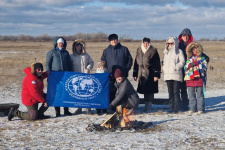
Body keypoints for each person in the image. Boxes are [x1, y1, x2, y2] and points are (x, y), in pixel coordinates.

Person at [101, 33, 133, 109]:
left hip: (122, 75)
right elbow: (103, 61)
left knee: (122, 92)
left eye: (115, 39)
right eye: (112, 40)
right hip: (111, 75)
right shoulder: (106, 51)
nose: (114, 41)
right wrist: (103, 66)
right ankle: (112, 106)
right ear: (110, 41)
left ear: (117, 40)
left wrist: (126, 69)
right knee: (112, 91)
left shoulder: (124, 49)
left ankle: (122, 107)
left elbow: (130, 60)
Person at [46, 37, 73, 117]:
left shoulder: (66, 53)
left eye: (62, 43)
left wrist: (71, 74)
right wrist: (48, 72)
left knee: (65, 93)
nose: (61, 44)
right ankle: (57, 111)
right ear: (56, 44)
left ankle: (66, 110)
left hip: (65, 75)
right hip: (55, 76)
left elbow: (69, 64)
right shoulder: (51, 52)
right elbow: (48, 63)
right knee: (57, 93)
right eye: (59, 43)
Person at [133, 37, 161, 113]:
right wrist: (135, 73)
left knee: (150, 91)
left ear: (149, 43)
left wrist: (156, 75)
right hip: (141, 74)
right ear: (142, 43)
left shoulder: (153, 50)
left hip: (151, 73)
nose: (146, 44)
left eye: (147, 43)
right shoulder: (139, 50)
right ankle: (145, 106)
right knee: (145, 91)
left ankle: (149, 107)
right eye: (144, 43)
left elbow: (157, 64)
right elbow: (136, 63)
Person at [70, 39, 94, 115]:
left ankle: (88, 109)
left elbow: (91, 62)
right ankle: (79, 108)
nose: (79, 47)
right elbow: (69, 65)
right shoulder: (71, 56)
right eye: (77, 46)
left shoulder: (86, 55)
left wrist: (89, 67)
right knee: (78, 93)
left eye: (80, 46)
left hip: (86, 76)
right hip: (76, 77)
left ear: (82, 47)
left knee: (87, 93)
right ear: (75, 47)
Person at [184, 42, 209, 114]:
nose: (194, 50)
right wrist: (190, 65)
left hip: (199, 79)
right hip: (190, 79)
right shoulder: (188, 58)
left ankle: (201, 109)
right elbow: (185, 67)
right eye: (192, 49)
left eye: (195, 49)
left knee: (200, 95)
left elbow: (205, 67)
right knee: (191, 95)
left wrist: (197, 64)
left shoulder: (202, 57)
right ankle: (192, 108)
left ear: (198, 49)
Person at [163, 36, 185, 113]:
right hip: (168, 75)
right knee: (170, 92)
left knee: (176, 92)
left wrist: (177, 67)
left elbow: (182, 61)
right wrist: (164, 68)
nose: (170, 45)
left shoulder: (179, 51)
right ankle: (171, 107)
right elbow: (165, 62)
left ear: (175, 43)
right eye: (168, 43)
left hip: (176, 74)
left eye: (172, 43)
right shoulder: (166, 52)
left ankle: (176, 107)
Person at [178, 28, 193, 111]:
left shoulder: (192, 45)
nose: (185, 37)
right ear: (181, 36)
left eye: (187, 36)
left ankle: (189, 104)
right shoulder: (178, 45)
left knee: (190, 87)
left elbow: (199, 53)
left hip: (190, 70)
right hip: (180, 69)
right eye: (184, 35)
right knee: (181, 87)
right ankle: (182, 104)